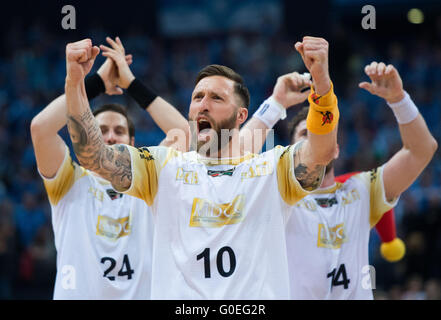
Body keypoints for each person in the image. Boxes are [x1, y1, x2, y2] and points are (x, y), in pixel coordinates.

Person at [63, 36, 339, 299]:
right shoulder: (162, 166)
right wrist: (75, 83)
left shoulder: (272, 168)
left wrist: (323, 86)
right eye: (197, 98)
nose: (203, 105)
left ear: (241, 115)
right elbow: (93, 156)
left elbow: (320, 152)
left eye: (216, 98)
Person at [31, 37, 188, 299]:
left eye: (119, 131)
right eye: (100, 131)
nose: (111, 137)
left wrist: (131, 84)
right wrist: (93, 83)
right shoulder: (69, 181)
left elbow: (184, 135)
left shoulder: (150, 181)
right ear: (86, 137)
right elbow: (40, 129)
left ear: (132, 143)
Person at [282, 62, 437, 299]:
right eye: (305, 134)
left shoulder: (362, 189)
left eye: (321, 133)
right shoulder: (279, 199)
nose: (314, 139)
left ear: (335, 149)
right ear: (292, 152)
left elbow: (422, 150)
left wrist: (399, 99)